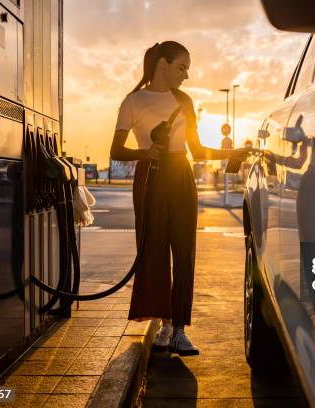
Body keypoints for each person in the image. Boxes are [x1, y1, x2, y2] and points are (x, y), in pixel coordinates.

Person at [110, 41, 250, 356]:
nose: (186, 75)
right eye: (182, 67)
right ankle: (164, 324)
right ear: (163, 64)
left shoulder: (184, 101)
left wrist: (232, 152)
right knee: (154, 252)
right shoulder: (133, 101)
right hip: (149, 177)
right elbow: (115, 150)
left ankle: (180, 331)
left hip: (181, 175)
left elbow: (198, 151)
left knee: (184, 252)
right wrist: (145, 151)